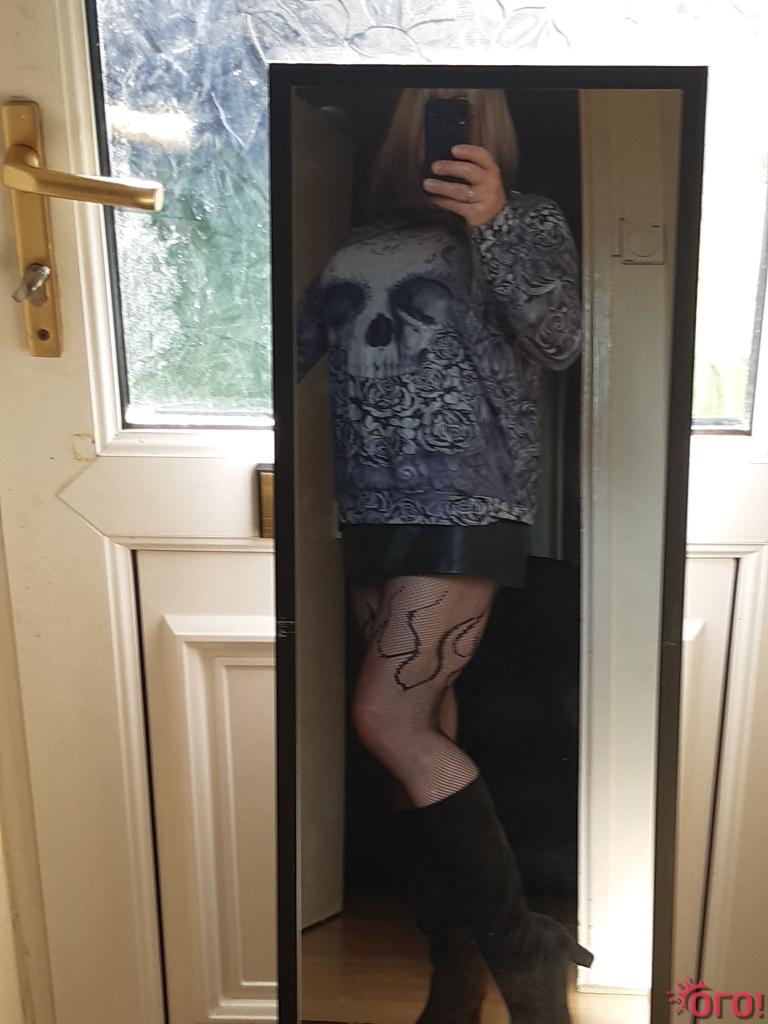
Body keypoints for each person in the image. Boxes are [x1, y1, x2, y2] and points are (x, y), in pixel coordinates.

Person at [295, 86, 593, 1024]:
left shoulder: (526, 219)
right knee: (419, 735)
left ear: (489, 123)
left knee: (385, 719)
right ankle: (455, 968)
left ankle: (524, 947)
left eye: (457, 110)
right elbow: (292, 345)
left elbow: (561, 340)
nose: (440, 125)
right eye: (425, 108)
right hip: (369, 501)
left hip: (464, 497)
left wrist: (495, 219)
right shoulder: (363, 236)